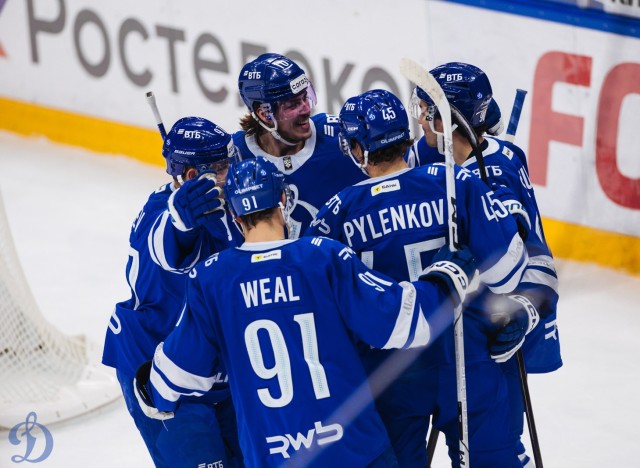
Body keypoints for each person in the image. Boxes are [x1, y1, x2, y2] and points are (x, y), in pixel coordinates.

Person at [133, 156, 478, 467]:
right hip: (355, 452)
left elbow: (177, 375)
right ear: (283, 200)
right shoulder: (322, 257)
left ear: (235, 217)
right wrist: (445, 279)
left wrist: (152, 388)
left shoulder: (211, 279)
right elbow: (401, 322)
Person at [305, 89, 533, 467]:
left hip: (388, 374)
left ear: (357, 149)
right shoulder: (454, 182)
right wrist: (502, 215)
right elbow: (507, 274)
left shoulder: (336, 215)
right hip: (465, 356)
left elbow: (325, 314)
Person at [408, 62, 561, 466]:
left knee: (492, 455)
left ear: (448, 118)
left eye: (425, 108)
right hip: (430, 337)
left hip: (485, 337)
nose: (419, 117)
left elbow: (532, 256)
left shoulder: (499, 172)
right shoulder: (422, 153)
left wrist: (525, 309)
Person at [102, 117, 243, 467]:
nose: (232, 172)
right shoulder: (161, 215)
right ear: (193, 176)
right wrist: (180, 224)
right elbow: (168, 248)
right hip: (158, 371)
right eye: (222, 167)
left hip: (212, 369)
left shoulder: (224, 206)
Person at [233, 52, 366, 238]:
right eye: (293, 104)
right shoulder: (233, 157)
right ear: (264, 114)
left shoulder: (342, 137)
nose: (306, 109)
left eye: (305, 97)